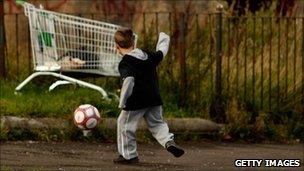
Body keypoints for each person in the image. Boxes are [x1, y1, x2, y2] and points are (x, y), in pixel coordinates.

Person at [113, 27, 185, 164]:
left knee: (124, 125)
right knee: (157, 124)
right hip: (154, 98)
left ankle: (129, 156)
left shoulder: (125, 63)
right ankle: (168, 141)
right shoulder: (147, 55)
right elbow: (161, 52)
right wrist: (164, 37)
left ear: (116, 47)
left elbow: (128, 81)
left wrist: (122, 102)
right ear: (134, 42)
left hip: (135, 102)